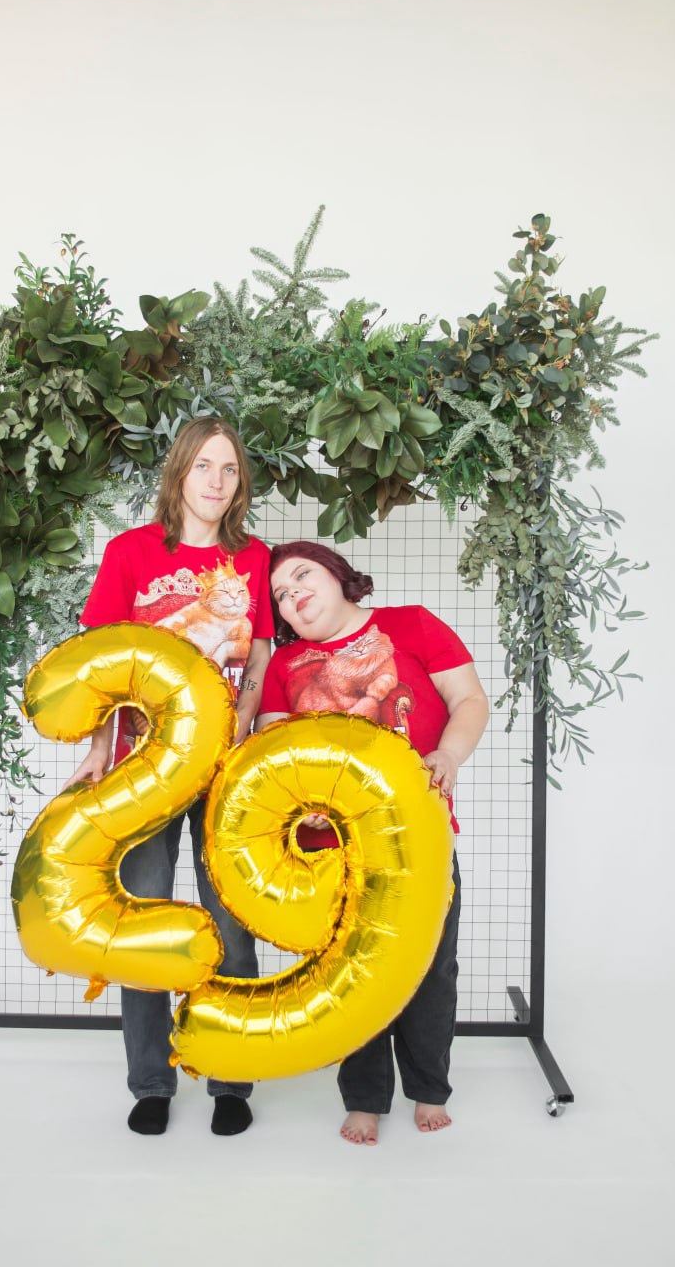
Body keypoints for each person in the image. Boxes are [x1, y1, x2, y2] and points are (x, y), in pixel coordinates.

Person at [66, 417, 273, 1137]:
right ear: (179, 471)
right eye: (203, 466)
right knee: (145, 923)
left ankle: (230, 1079)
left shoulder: (254, 558)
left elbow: (258, 656)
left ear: (239, 483)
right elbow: (99, 659)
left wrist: (242, 723)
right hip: (144, 767)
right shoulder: (130, 552)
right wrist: (99, 746)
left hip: (223, 768)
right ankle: (151, 1082)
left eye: (229, 469)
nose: (216, 481)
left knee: (231, 926)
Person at [256, 540, 489, 1146]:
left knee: (431, 971)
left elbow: (469, 699)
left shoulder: (412, 625)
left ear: (337, 575)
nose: (293, 594)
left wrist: (449, 755)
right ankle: (363, 1098)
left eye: (302, 575)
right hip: (331, 850)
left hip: (419, 841)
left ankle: (430, 1089)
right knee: (349, 972)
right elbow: (273, 753)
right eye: (280, 594)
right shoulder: (284, 665)